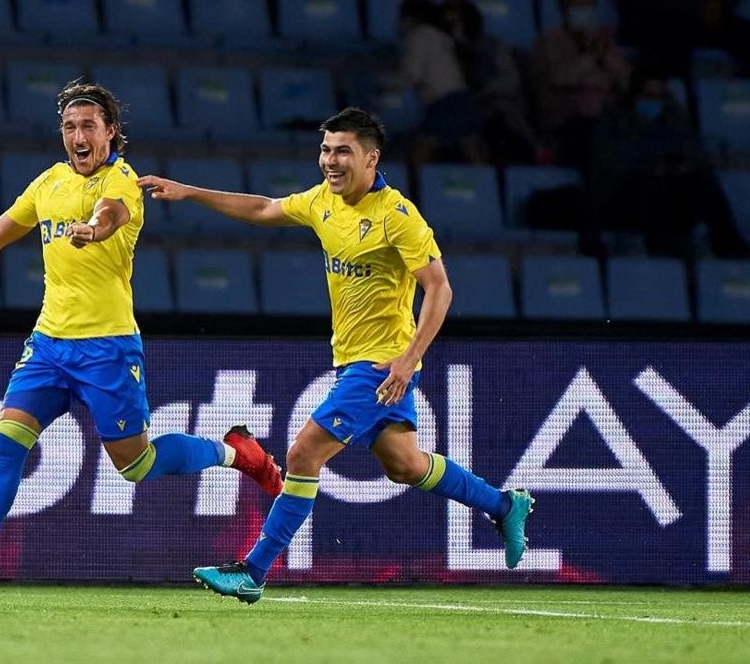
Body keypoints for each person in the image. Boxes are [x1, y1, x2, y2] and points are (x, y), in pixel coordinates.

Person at [138, 108, 534, 605]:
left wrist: (409, 359)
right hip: (356, 361)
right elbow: (263, 209)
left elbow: (439, 289)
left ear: (372, 158)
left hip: (382, 364)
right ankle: (503, 504)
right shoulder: (322, 201)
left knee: (304, 453)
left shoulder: (398, 216)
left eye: (342, 150)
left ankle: (253, 571)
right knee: (405, 464)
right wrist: (191, 191)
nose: (330, 160)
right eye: (326, 150)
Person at [0, 80, 283, 595]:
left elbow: (111, 216)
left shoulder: (122, 180)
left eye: (88, 126)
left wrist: (93, 230)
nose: (78, 136)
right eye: (69, 127)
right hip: (48, 344)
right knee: (6, 441)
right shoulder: (48, 183)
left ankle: (239, 454)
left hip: (107, 347)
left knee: (137, 465)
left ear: (110, 133)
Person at [585, 65, 750, 259]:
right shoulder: (614, 120)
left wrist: (680, 167)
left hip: (671, 194)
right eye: (649, 97)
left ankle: (728, 244)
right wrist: (653, 166)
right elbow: (606, 166)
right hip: (626, 199)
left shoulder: (674, 116)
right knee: (649, 182)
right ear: (636, 95)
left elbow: (696, 155)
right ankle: (661, 254)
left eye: (659, 97)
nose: (655, 102)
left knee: (704, 181)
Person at [530, 0, 629, 168]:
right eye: (576, 5)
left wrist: (609, 61)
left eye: (587, 5)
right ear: (564, 9)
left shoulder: (604, 42)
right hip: (568, 123)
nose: (583, 10)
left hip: (606, 121)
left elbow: (627, 81)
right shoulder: (548, 40)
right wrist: (591, 59)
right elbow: (559, 78)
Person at [444, 0, 537, 165]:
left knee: (503, 118)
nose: (454, 27)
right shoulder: (442, 51)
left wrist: (483, 93)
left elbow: (509, 81)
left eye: (457, 21)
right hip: (461, 113)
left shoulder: (493, 46)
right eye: (449, 23)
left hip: (496, 109)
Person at [396, 0, 483, 164]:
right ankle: (490, 184)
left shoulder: (419, 35)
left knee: (425, 146)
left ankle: (409, 184)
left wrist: (389, 80)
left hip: (444, 102)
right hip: (462, 98)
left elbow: (413, 76)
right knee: (470, 147)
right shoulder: (441, 36)